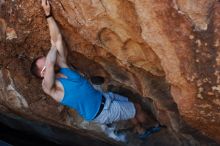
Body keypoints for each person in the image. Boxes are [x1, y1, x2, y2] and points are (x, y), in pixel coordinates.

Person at [31, 0, 155, 136]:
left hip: (104, 98)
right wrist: (53, 49)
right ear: (43, 74)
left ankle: (140, 129)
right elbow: (50, 61)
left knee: (131, 104)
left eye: (49, 59)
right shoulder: (49, 87)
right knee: (136, 108)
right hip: (102, 112)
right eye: (47, 64)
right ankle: (154, 128)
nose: (52, 61)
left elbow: (57, 39)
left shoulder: (62, 67)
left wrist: (48, 14)